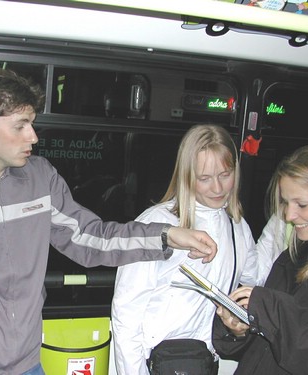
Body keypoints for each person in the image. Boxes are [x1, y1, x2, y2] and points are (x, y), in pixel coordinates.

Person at [0, 68, 218, 375]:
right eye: (21, 126)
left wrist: (166, 237)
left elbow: (90, 237)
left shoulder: (39, 179)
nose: (33, 136)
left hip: (26, 364)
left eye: (32, 123)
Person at [111, 124, 267, 375]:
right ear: (186, 177)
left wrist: (279, 225)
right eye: (204, 179)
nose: (217, 189)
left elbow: (253, 277)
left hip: (206, 361)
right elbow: (126, 313)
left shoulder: (237, 226)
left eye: (225, 174)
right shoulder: (155, 225)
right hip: (158, 362)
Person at [212, 143, 308, 374]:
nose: (289, 215)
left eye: (302, 204)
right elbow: (265, 350)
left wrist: (270, 309)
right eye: (285, 202)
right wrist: (239, 330)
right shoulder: (293, 255)